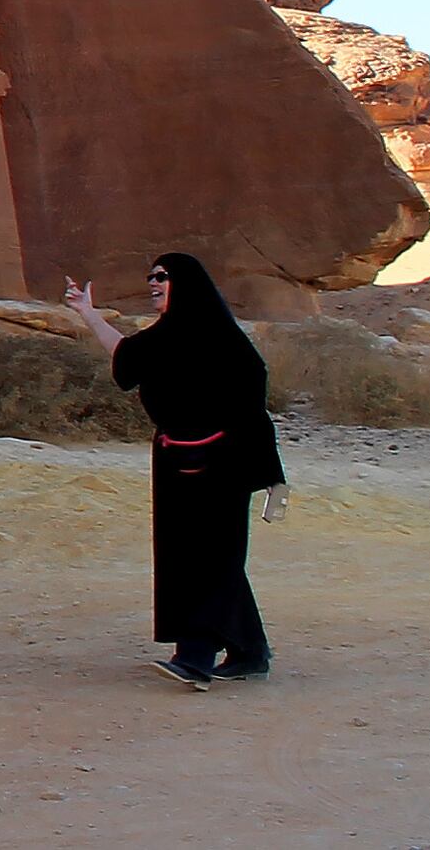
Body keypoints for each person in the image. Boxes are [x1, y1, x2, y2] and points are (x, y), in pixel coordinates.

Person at [67, 253, 289, 687]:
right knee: (190, 555)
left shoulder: (225, 341)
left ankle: (196, 656)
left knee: (213, 558)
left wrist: (267, 472)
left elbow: (253, 405)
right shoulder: (162, 337)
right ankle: (249, 651)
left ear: (186, 283)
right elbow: (126, 359)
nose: (153, 282)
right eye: (149, 275)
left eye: (162, 276)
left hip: (224, 462)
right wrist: (88, 314)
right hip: (173, 460)